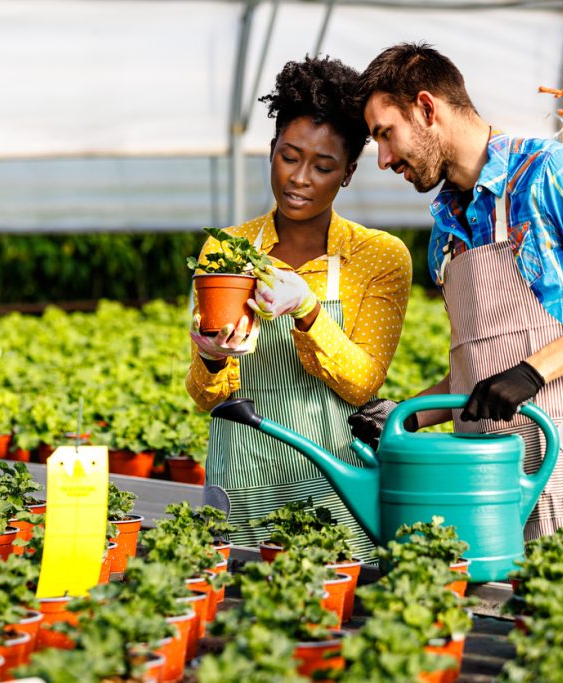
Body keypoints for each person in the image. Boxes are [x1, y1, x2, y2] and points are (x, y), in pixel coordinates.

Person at [347, 43, 563, 601]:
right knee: (499, 648)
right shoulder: (446, 233)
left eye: (384, 133)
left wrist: (533, 372)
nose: (382, 159)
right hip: (482, 486)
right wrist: (408, 415)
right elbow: (481, 375)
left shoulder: (556, 173)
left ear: (427, 108)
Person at [186, 56, 412, 560]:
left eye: (324, 166)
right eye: (289, 157)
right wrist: (212, 357)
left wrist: (308, 310)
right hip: (241, 478)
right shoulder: (228, 250)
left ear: (349, 173)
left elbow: (361, 382)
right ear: (271, 152)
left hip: (333, 483)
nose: (300, 178)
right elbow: (205, 397)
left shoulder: (379, 256)